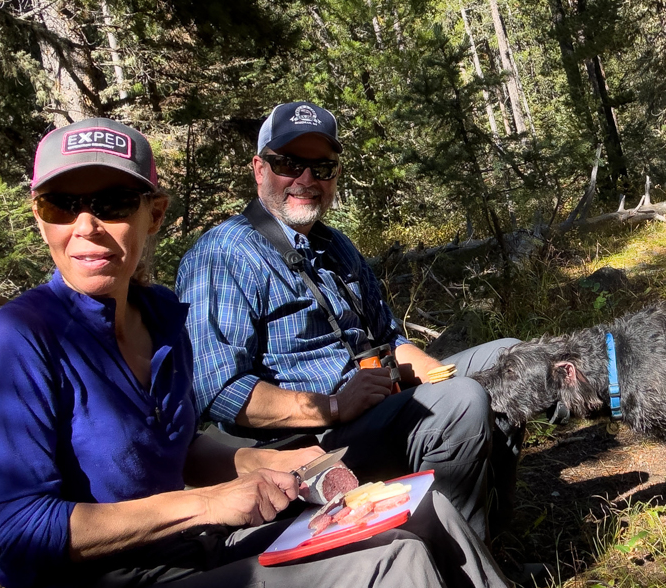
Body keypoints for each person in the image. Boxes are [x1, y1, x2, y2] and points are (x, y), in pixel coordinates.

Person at [0, 117, 522, 588]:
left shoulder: (159, 318)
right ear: (39, 216)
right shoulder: (16, 340)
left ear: (152, 215)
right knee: (386, 565)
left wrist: (262, 463)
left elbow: (172, 450)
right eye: (62, 205)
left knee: (424, 515)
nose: (86, 226)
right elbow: (21, 531)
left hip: (191, 552)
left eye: (112, 203)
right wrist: (207, 502)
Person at [176, 102, 520, 543]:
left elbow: (391, 339)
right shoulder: (223, 254)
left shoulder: (335, 245)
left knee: (506, 359)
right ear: (259, 169)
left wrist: (437, 375)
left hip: (380, 402)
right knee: (462, 403)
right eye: (288, 163)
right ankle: (459, 570)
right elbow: (218, 392)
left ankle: (495, 542)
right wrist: (334, 405)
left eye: (321, 167)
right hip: (312, 444)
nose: (306, 180)